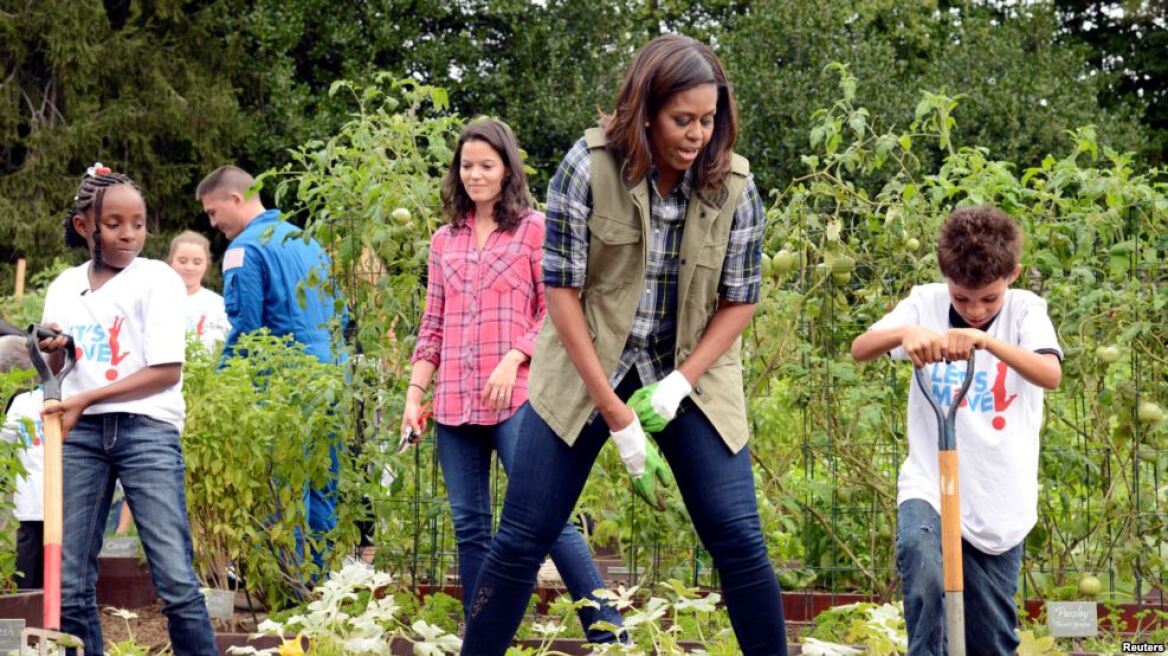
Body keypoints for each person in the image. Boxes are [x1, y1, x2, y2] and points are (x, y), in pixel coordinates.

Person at [459, 35, 788, 654]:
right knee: (523, 537)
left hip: (686, 369)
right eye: (681, 119)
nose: (697, 134)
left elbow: (740, 299)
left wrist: (681, 382)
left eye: (709, 119)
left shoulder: (734, 186)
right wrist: (614, 412)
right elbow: (561, 292)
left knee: (738, 535)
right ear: (645, 109)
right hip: (586, 365)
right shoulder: (587, 167)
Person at [403, 119, 623, 641]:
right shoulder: (443, 241)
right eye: (467, 166)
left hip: (517, 398)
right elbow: (431, 326)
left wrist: (514, 358)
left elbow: (554, 310)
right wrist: (415, 397)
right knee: (471, 530)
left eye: (486, 165)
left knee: (545, 518)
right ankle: (486, 637)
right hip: (453, 402)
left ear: (507, 169)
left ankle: (608, 628)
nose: (475, 175)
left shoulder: (534, 230)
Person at [851, 206, 1063, 655]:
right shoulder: (924, 303)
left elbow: (1049, 373)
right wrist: (906, 333)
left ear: (1013, 275)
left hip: (998, 499)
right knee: (922, 564)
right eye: (962, 299)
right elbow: (861, 347)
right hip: (930, 480)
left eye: (988, 299)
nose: (973, 310)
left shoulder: (1026, 311)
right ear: (945, 275)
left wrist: (986, 342)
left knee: (992, 642)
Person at [38, 163, 217, 654]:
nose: (129, 235)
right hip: (82, 436)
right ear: (84, 227)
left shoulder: (156, 279)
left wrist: (87, 398)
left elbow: (166, 371)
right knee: (70, 582)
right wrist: (54, 348)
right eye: (114, 224)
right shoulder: (63, 286)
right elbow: (59, 364)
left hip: (147, 430)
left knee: (176, 580)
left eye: (138, 224)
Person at [196, 165, 346, 565]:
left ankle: (290, 590)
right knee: (322, 481)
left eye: (213, 212)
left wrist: (218, 387)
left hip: (285, 382)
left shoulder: (244, 249)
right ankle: (322, 581)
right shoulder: (307, 240)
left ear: (235, 199)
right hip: (333, 374)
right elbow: (342, 313)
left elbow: (245, 326)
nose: (213, 223)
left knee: (283, 486)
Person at [0, 335, 45, 591]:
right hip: (60, 495)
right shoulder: (67, 398)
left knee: (28, 548)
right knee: (55, 550)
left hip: (28, 493)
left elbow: (4, 440)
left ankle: (27, 603)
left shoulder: (20, 402)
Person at [168, 230, 230, 351]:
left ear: (207, 264)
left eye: (197, 262)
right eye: (182, 261)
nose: (189, 267)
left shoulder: (219, 305)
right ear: (170, 262)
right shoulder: (156, 300)